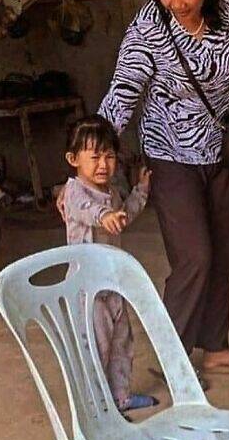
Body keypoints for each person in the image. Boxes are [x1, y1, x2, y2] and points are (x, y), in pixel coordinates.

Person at [99, 0, 229, 377]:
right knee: (194, 256)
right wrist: (90, 159)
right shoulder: (148, 26)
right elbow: (122, 94)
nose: (176, 3)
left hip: (224, 151)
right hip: (170, 154)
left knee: (225, 254)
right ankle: (173, 357)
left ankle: (214, 347)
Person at [63, 114, 158, 413]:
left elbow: (123, 216)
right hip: (88, 290)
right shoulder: (73, 192)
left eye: (109, 156)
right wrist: (105, 216)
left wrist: (141, 190)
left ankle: (120, 397)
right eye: (94, 157)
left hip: (112, 284)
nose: (103, 164)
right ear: (73, 159)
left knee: (121, 342)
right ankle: (97, 408)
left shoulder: (111, 192)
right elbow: (89, 211)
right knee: (96, 347)